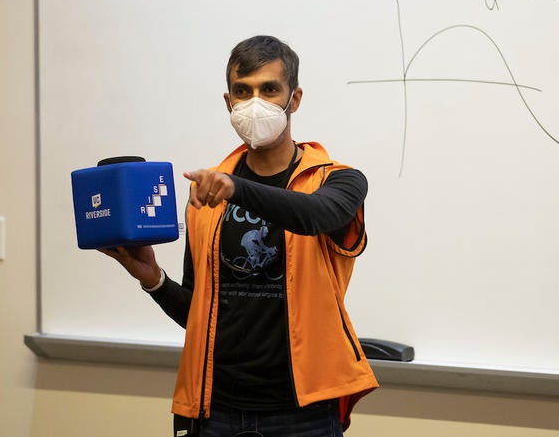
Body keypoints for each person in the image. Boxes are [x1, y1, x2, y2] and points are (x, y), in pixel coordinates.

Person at [100, 35, 378, 436]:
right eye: (242, 91)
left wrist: (237, 188)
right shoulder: (208, 196)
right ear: (228, 102)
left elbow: (315, 216)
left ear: (294, 99)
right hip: (217, 410)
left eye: (269, 89)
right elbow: (200, 314)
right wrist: (155, 281)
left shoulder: (337, 180)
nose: (254, 103)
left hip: (303, 413)